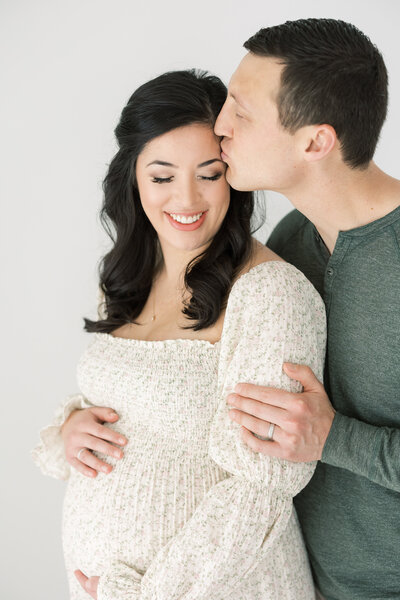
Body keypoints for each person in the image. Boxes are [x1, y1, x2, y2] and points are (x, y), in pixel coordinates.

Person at [31, 69, 326, 600]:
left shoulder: (270, 294)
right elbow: (140, 412)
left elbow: (262, 488)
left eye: (208, 173)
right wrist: (70, 429)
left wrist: (145, 594)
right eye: (162, 176)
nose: (186, 198)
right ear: (133, 177)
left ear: (232, 173)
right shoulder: (131, 279)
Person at [213, 18, 400, 600]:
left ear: (316, 142)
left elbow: (314, 435)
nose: (219, 126)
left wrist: (333, 438)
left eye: (241, 113)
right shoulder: (290, 245)